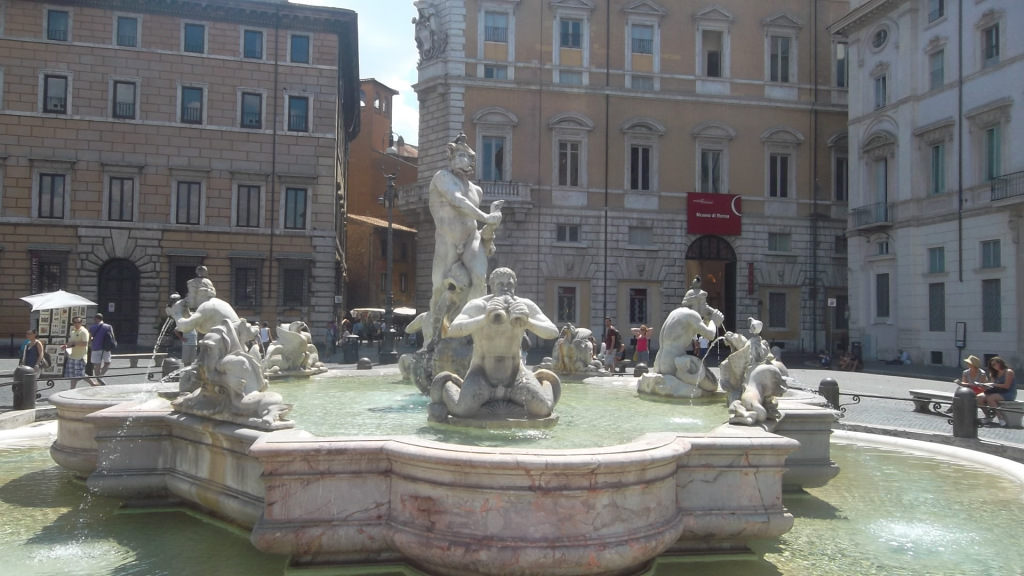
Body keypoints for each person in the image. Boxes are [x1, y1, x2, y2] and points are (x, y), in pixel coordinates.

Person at [433, 268, 560, 419]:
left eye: (509, 284)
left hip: (515, 376)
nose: (505, 288)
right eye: (500, 284)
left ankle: (544, 382)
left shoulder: (524, 305)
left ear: (515, 286)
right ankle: (449, 383)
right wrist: (484, 319)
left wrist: (528, 322)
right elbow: (452, 330)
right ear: (491, 286)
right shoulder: (478, 305)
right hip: (482, 375)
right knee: (462, 411)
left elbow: (553, 332)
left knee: (543, 409)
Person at [425, 133, 504, 348]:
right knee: (439, 288)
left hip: (471, 238)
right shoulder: (441, 177)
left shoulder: (476, 191)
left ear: (471, 162)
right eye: (458, 155)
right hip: (447, 240)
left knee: (479, 278)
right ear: (450, 157)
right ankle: (435, 338)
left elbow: (474, 221)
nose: (462, 160)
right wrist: (486, 216)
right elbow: (457, 201)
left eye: (466, 156)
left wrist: (491, 224)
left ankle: (473, 328)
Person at [978, 356, 1016, 426]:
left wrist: (994, 384)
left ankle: (1001, 418)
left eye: (995, 364)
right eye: (992, 365)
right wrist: (985, 386)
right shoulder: (993, 373)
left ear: (1000, 363)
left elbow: (1006, 386)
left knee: (991, 398)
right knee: (979, 397)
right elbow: (992, 386)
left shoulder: (1008, 372)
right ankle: (988, 416)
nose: (994, 366)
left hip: (1008, 392)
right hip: (997, 392)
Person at [63, 316, 92, 388]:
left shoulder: (84, 331)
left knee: (80, 374)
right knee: (73, 375)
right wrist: (66, 346)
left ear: (81, 323)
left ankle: (92, 383)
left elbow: (85, 343)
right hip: (72, 356)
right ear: (73, 323)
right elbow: (71, 343)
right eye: (75, 322)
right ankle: (72, 389)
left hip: (80, 356)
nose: (77, 324)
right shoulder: (73, 332)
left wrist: (74, 343)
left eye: (79, 322)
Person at [86, 313, 115, 385]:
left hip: (95, 348)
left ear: (96, 319)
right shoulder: (108, 326)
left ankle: (98, 381)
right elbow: (112, 336)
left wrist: (93, 340)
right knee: (107, 363)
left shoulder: (92, 327)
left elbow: (89, 339)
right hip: (106, 348)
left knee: (97, 365)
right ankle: (101, 376)